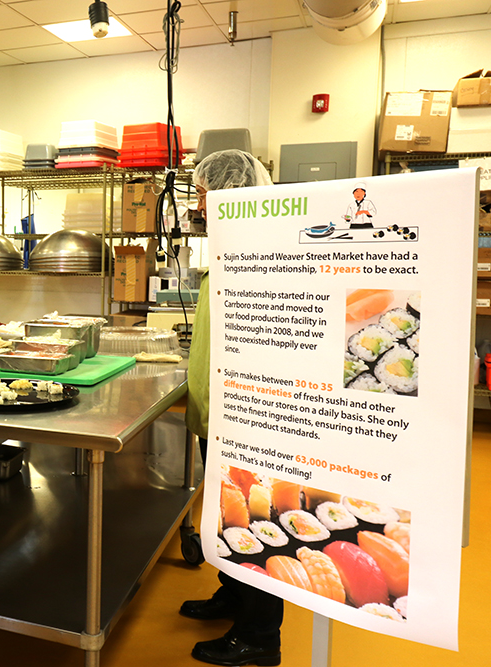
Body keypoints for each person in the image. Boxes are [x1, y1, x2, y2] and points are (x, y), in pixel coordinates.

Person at [184, 149, 284, 667]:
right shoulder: (230, 245)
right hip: (217, 411)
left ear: (232, 194)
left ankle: (260, 635)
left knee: (254, 522)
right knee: (228, 518)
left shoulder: (264, 251)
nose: (197, 205)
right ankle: (233, 595)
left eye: (204, 194)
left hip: (248, 416)